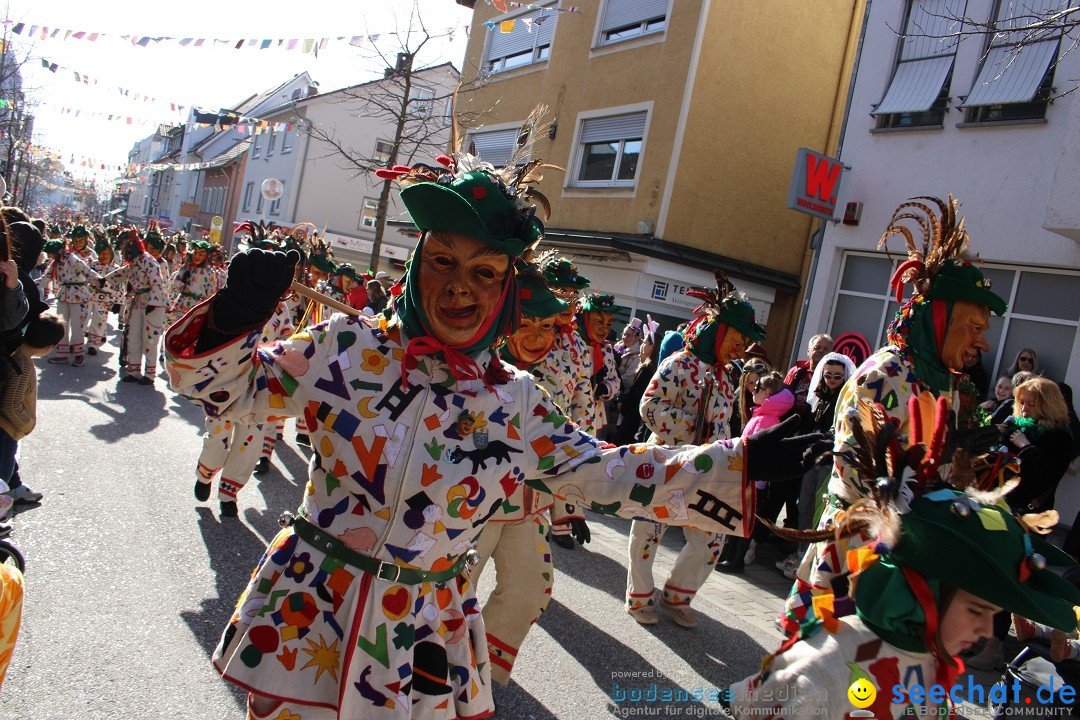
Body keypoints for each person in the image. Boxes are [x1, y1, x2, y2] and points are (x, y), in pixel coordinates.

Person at [165, 147, 821, 719]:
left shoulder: (516, 399)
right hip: (311, 611)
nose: (458, 288)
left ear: (506, 290)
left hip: (422, 636)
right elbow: (227, 393)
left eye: (484, 272)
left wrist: (737, 463)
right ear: (418, 263)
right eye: (443, 261)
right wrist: (233, 316)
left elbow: (610, 472)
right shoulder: (345, 345)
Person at [783, 195, 1009, 636]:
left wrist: (975, 471)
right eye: (975, 328)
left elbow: (935, 471)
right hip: (857, 545)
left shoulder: (947, 384)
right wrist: (927, 472)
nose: (983, 344)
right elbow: (854, 468)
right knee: (822, 657)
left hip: (912, 551)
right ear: (940, 319)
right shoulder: (884, 375)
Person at [627, 288, 765, 626]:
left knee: (711, 538)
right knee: (648, 531)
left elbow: (722, 422)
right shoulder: (679, 364)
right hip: (667, 462)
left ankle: (677, 594)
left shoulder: (724, 375)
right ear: (718, 330)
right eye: (737, 336)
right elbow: (649, 405)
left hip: (707, 470)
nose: (741, 346)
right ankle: (639, 597)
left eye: (745, 339)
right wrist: (691, 427)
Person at [776, 351, 857, 579]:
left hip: (829, 461)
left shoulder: (843, 400)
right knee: (804, 504)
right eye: (828, 375)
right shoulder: (819, 397)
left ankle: (813, 560)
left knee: (820, 508)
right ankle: (801, 553)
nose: (832, 379)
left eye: (837, 376)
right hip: (813, 457)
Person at [0, 314, 65, 517]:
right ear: (50, 347)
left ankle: (17, 488)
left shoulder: (16, 352)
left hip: (7, 428)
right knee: (2, 474)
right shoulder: (24, 366)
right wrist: (27, 424)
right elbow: (10, 405)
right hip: (7, 429)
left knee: (8, 465)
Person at [103, 226, 169, 385]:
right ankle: (133, 370)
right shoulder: (134, 263)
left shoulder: (148, 261)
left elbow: (157, 282)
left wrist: (154, 302)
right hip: (138, 301)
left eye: (128, 246)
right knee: (133, 336)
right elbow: (120, 274)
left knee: (150, 339)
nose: (126, 249)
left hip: (153, 304)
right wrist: (101, 281)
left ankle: (150, 373)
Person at [42, 231, 101, 367]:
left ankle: (78, 354)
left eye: (52, 253)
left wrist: (98, 280)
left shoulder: (72, 258)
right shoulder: (56, 263)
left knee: (78, 326)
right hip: (64, 294)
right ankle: (61, 354)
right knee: (61, 324)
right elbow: (46, 278)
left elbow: (86, 270)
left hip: (79, 294)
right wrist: (30, 286)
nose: (51, 256)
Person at [612, 316, 660, 446]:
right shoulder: (620, 348)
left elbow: (633, 391)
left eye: (645, 342)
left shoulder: (646, 368)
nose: (642, 346)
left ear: (652, 347)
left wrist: (623, 404)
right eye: (624, 334)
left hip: (631, 418)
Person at [783, 334, 834, 420]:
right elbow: (782, 395)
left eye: (826, 349)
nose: (821, 351)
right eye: (817, 347)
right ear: (808, 351)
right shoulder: (795, 371)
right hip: (788, 419)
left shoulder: (831, 376)